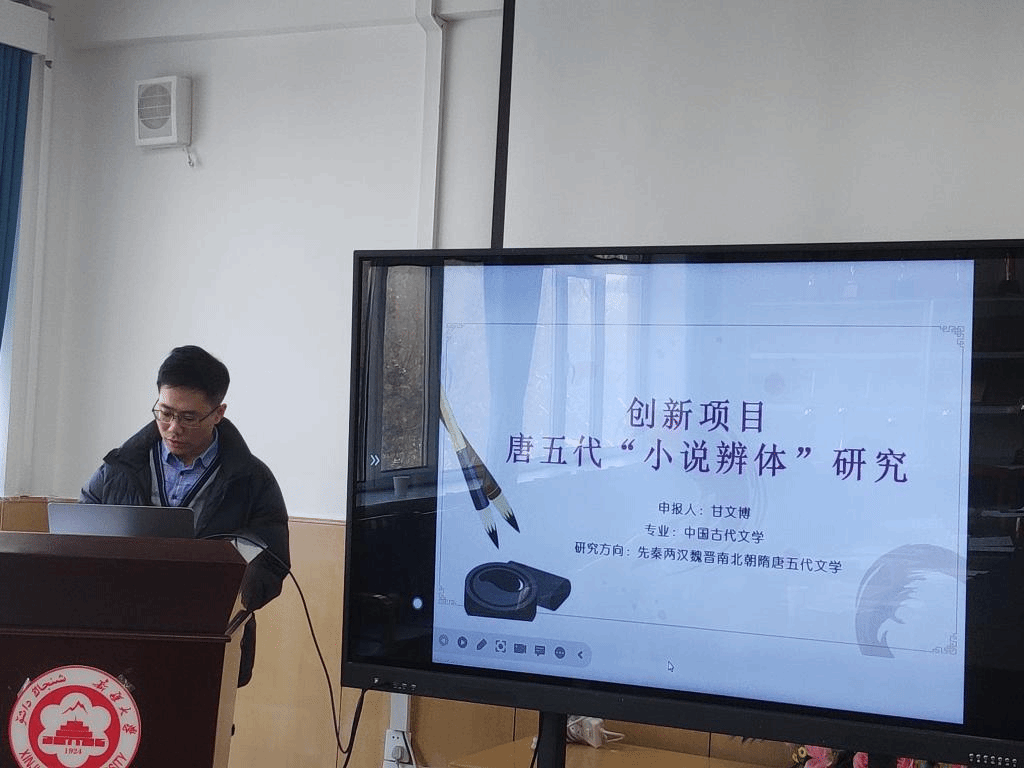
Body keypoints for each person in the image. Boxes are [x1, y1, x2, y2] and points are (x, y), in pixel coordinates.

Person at [80, 344, 290, 686]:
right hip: (121, 635)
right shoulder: (119, 468)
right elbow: (77, 537)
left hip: (209, 641)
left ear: (218, 413)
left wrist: (233, 590)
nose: (173, 427)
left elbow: (273, 564)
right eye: (164, 412)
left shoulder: (252, 480)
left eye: (189, 418)